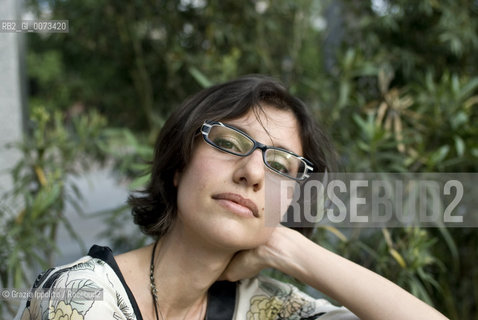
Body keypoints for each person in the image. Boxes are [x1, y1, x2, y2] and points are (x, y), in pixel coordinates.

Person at [16, 75, 447, 320]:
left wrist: (291, 249)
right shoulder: (80, 294)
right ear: (179, 162)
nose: (254, 172)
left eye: (281, 165)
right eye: (230, 142)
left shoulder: (264, 307)